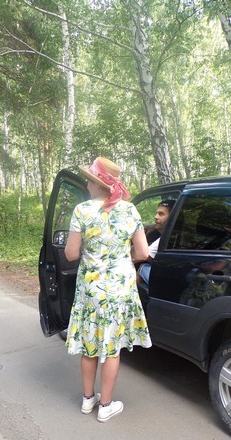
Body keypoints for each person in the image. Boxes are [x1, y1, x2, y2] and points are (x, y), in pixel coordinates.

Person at [65, 157, 151, 422]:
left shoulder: (82, 211)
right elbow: (144, 252)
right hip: (118, 290)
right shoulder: (129, 210)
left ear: (97, 183)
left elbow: (70, 254)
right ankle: (106, 405)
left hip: (91, 289)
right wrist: (121, 258)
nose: (87, 184)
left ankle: (87, 400)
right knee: (111, 348)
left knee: (89, 345)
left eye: (89, 179)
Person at [135, 199, 175, 286]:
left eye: (161, 214)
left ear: (172, 217)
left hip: (168, 280)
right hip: (175, 274)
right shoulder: (179, 232)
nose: (156, 217)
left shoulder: (164, 239)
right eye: (156, 213)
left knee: (142, 268)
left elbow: (142, 256)